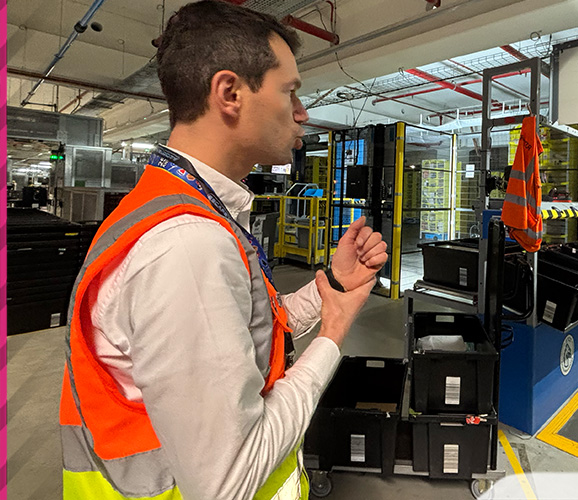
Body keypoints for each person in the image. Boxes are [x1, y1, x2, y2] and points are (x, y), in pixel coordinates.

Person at [59, 2, 388, 499]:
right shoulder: (185, 244)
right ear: (230, 93)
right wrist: (333, 334)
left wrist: (332, 288)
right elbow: (228, 482)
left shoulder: (182, 206)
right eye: (290, 91)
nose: (302, 112)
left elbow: (248, 329)